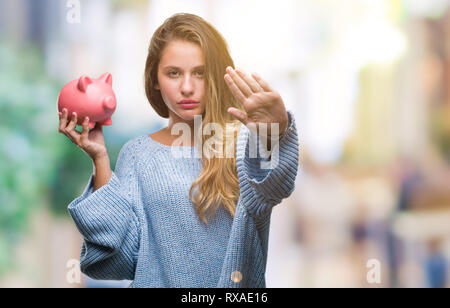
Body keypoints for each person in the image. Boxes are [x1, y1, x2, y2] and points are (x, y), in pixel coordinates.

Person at [58, 13, 299, 288]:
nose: (187, 87)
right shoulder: (137, 155)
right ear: (156, 79)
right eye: (173, 73)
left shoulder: (243, 144)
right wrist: (100, 158)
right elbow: (118, 261)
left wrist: (275, 132)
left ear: (218, 77)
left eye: (200, 73)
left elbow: (275, 187)